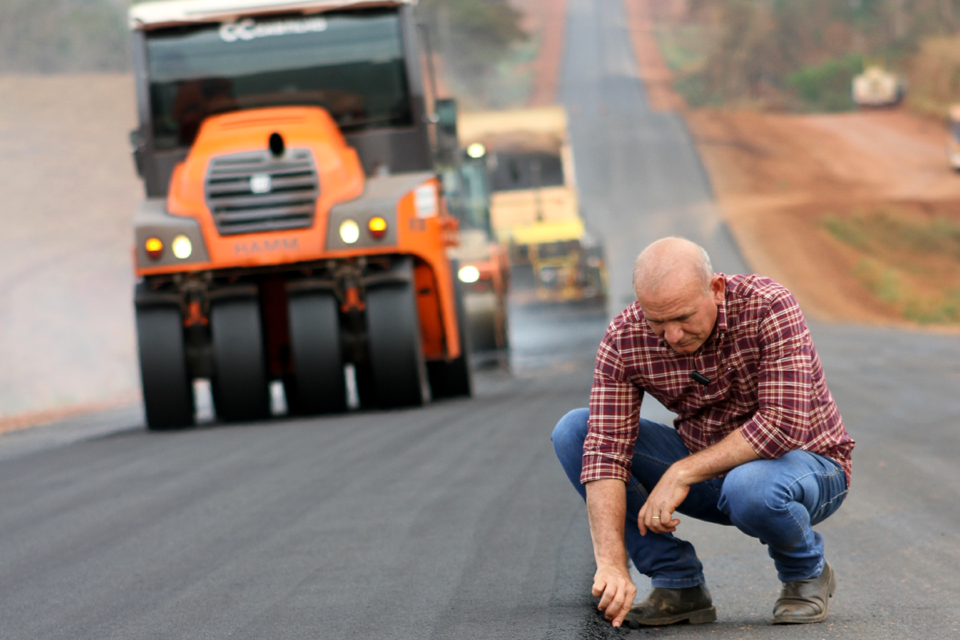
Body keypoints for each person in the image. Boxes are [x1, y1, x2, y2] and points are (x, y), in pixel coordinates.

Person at [551, 237, 854, 628]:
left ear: (715, 288)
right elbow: (605, 450)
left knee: (750, 487)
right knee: (576, 430)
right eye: (657, 321)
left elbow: (781, 425)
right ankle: (677, 584)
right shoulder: (624, 337)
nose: (671, 335)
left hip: (806, 467)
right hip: (711, 474)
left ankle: (805, 572)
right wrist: (610, 563)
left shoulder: (768, 305)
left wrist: (681, 472)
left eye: (683, 318)